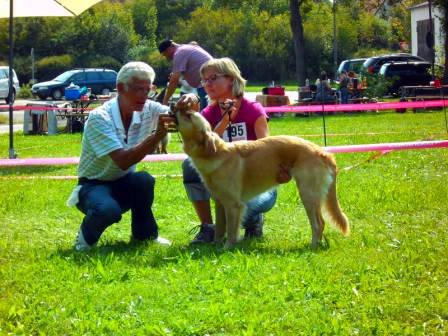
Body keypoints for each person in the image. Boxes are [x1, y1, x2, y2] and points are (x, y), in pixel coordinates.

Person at [68, 61, 196, 251]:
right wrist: (157, 135)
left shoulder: (148, 107)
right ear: (120, 88)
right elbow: (123, 161)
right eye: (139, 89)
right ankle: (84, 240)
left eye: (148, 89)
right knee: (107, 210)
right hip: (92, 185)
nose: (144, 96)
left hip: (123, 182)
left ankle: (145, 236)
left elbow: (180, 116)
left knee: (144, 181)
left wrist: (191, 100)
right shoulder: (99, 118)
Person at [182, 57, 290, 243]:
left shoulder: (253, 110)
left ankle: (253, 220)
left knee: (240, 204)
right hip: (223, 182)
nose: (207, 84)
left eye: (213, 78)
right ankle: (208, 227)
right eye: (204, 80)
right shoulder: (208, 114)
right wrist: (224, 121)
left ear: (231, 78)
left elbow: (267, 149)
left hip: (256, 182)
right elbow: (202, 151)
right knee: (188, 166)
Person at [158, 39, 213, 110]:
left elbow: (173, 81)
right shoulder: (186, 48)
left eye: (165, 54)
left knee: (206, 114)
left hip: (207, 83)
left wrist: (164, 103)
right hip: (210, 82)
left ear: (169, 49)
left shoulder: (179, 53)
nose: (166, 57)